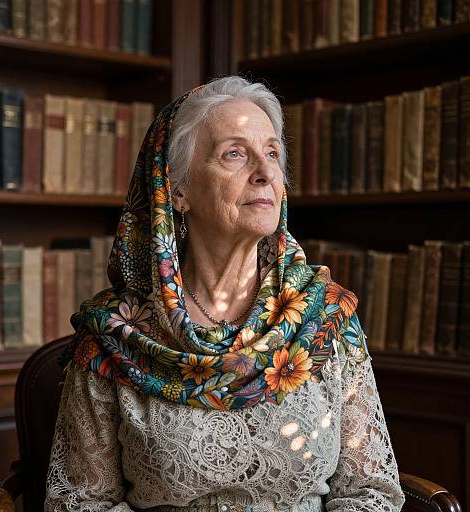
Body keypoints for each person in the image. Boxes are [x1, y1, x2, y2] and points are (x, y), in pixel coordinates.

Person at [45, 76, 405, 512]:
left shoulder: (326, 318)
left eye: (273, 153)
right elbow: (81, 503)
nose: (266, 172)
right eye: (235, 153)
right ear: (177, 190)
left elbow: (371, 492)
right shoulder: (115, 336)